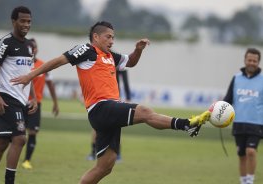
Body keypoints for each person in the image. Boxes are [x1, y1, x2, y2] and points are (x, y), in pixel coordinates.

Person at [11, 21, 211, 184]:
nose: (112, 41)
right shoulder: (87, 50)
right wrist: (31, 75)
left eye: (113, 37)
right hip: (101, 107)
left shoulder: (110, 56)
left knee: (105, 166)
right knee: (144, 111)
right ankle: (187, 124)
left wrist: (138, 50)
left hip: (108, 112)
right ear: (96, 37)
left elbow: (130, 62)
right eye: (108, 36)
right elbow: (58, 60)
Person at [0, 6, 37, 184]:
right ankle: (9, 181)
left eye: (29, 21)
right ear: (14, 22)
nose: (26, 24)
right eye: (22, 21)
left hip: (21, 101)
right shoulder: (5, 42)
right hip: (5, 98)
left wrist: (33, 97)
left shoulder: (29, 46)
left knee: (1, 143)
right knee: (20, 138)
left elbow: (30, 73)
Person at [223, 48, 263, 184]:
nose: (251, 63)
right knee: (241, 154)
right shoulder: (236, 78)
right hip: (239, 122)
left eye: (255, 61)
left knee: (251, 151)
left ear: (258, 62)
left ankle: (250, 181)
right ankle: (243, 181)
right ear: (245, 60)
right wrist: (217, 110)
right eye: (249, 60)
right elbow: (228, 99)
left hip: (257, 124)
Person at [21, 38, 60, 169]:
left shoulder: (43, 66)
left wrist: (55, 102)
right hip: (19, 102)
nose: (33, 50)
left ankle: (27, 160)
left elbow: (50, 85)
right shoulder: (21, 64)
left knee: (32, 132)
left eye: (35, 47)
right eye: (31, 47)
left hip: (35, 104)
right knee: (16, 134)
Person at [87, 69, 130, 161]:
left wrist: (128, 97)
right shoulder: (99, 60)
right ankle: (94, 152)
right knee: (96, 126)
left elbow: (125, 79)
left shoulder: (115, 60)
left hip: (113, 97)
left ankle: (116, 153)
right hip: (100, 97)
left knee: (116, 125)